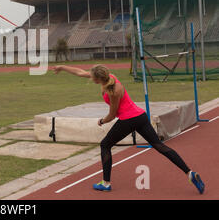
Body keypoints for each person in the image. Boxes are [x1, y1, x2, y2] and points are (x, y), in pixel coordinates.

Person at [53, 64, 205, 194]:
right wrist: (62, 67)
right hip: (141, 116)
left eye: (92, 77)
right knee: (160, 146)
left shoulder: (112, 91)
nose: (90, 78)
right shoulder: (109, 77)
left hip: (129, 120)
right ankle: (189, 172)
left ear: (98, 79)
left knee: (105, 145)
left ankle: (106, 183)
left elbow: (112, 115)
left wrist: (102, 121)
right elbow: (80, 72)